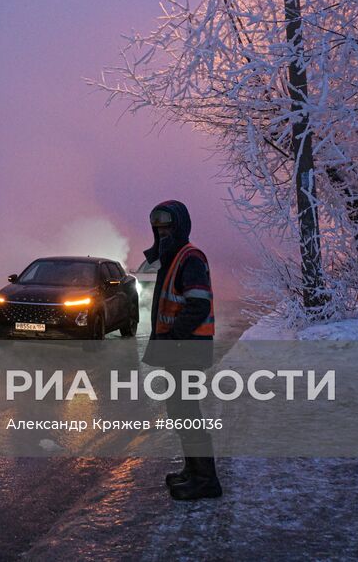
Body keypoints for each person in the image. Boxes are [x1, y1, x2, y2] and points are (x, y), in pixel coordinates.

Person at [141, 200, 221, 500]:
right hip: (178, 350)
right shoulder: (174, 257)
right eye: (157, 227)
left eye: (167, 226)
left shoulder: (190, 258)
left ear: (180, 226)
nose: (162, 233)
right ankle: (194, 470)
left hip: (186, 349)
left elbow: (198, 304)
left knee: (187, 412)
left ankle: (206, 480)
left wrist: (174, 335)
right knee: (180, 412)